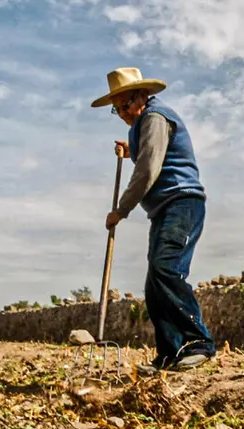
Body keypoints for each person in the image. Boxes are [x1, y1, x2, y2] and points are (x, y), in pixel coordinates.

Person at [90, 67, 216, 374]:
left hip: (181, 203)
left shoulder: (156, 117)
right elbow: (149, 150)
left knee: (166, 270)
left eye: (126, 105)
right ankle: (169, 354)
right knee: (154, 282)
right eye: (116, 109)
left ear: (143, 95)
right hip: (163, 210)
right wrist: (130, 148)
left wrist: (121, 210)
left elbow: (148, 168)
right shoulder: (145, 122)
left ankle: (198, 343)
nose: (122, 113)